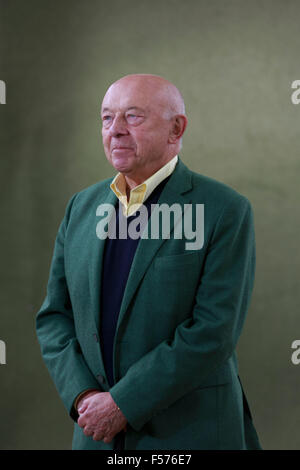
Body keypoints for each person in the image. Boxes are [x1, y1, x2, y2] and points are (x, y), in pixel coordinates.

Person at [36, 74, 262, 450]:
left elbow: (213, 331)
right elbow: (54, 317)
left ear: (176, 128)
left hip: (189, 434)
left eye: (133, 117)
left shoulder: (223, 209)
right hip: (96, 433)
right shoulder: (81, 208)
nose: (116, 130)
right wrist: (83, 397)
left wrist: (123, 403)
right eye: (107, 118)